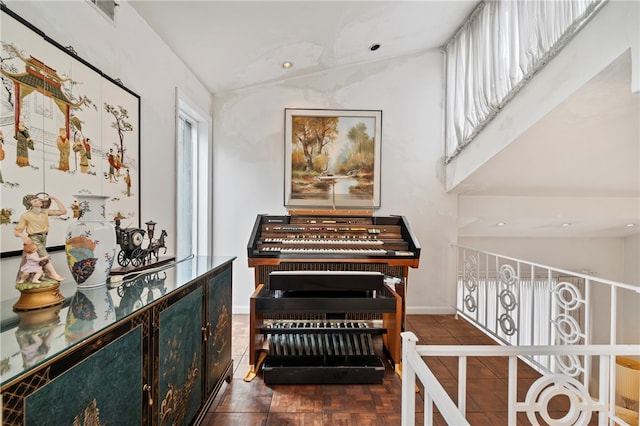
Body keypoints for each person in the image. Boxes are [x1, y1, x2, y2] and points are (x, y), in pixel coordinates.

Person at [14, 194, 66, 281]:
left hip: (44, 237)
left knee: (39, 258)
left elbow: (63, 211)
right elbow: (17, 232)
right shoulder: (26, 215)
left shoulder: (45, 211)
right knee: (44, 255)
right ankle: (54, 274)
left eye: (38, 200)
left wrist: (55, 199)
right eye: (35, 201)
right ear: (30, 205)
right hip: (34, 238)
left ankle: (38, 276)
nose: (38, 201)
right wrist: (23, 237)